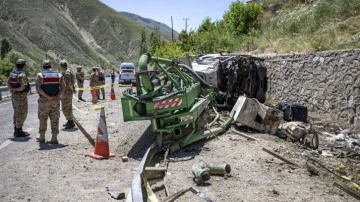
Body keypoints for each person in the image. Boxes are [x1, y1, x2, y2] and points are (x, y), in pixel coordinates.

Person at [35, 60, 65, 144]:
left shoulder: (40, 75)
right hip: (55, 101)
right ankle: (54, 138)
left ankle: (42, 137)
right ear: (50, 66)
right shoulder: (58, 75)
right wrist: (57, 96)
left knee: (43, 118)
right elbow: (63, 87)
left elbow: (38, 88)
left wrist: (48, 97)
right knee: (55, 119)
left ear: (43, 66)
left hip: (44, 101)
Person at [7, 59, 30, 137]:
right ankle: (18, 130)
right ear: (23, 65)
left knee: (16, 111)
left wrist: (11, 89)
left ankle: (17, 129)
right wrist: (15, 89)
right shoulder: (21, 75)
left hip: (14, 96)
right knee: (22, 112)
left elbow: (8, 82)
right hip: (20, 96)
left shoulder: (12, 73)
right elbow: (23, 87)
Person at [60, 60, 76, 129]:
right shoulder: (68, 71)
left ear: (61, 66)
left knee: (66, 107)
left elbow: (69, 83)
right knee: (66, 107)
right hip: (66, 92)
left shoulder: (67, 73)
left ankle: (71, 122)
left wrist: (73, 90)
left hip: (67, 92)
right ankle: (69, 120)